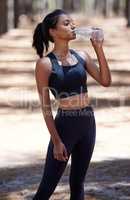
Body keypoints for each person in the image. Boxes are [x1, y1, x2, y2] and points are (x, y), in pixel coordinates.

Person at [32, 9, 111, 200]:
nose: (73, 26)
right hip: (65, 126)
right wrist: (57, 141)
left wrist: (98, 48)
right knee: (47, 187)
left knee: (78, 184)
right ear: (52, 31)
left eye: (72, 23)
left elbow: (105, 81)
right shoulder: (45, 64)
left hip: (87, 122)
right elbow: (45, 108)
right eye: (66, 23)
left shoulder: (82, 56)